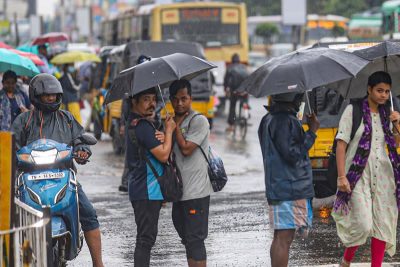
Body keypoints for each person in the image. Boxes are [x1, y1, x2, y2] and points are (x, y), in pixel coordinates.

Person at [11, 73, 104, 267]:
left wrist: (82, 151)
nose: (52, 98)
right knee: (11, 215)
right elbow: (12, 146)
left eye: (54, 95)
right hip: (30, 179)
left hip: (63, 177)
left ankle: (98, 263)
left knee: (89, 213)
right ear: (37, 96)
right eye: (47, 96)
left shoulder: (67, 118)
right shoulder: (23, 120)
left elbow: (80, 140)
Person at [332, 71, 400, 267]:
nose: (384, 95)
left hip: (384, 174)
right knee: (363, 223)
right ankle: (346, 259)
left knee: (382, 223)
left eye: (387, 92)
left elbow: (396, 143)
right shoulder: (353, 111)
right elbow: (341, 145)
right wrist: (341, 177)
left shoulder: (388, 113)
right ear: (369, 89)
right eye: (379, 90)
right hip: (357, 175)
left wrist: (398, 123)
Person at [258, 92, 319, 267]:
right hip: (290, 187)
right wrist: (312, 132)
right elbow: (293, 154)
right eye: (299, 98)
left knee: (280, 236)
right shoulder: (285, 120)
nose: (301, 101)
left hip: (278, 185)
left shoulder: (268, 119)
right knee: (284, 237)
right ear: (292, 99)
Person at [126, 87, 176, 266]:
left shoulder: (133, 123)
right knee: (145, 240)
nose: (152, 103)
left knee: (145, 238)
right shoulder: (143, 126)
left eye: (154, 99)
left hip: (142, 188)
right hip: (147, 190)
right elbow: (163, 155)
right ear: (134, 101)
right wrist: (169, 130)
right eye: (146, 99)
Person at [169, 79, 213, 267]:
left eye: (184, 98)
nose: (180, 103)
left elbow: (187, 148)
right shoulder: (170, 121)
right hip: (179, 193)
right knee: (187, 239)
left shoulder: (199, 121)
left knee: (195, 240)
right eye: (176, 99)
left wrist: (174, 128)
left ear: (191, 99)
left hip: (196, 193)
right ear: (170, 99)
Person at [118, 54, 153, 192]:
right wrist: (123, 123)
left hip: (150, 122)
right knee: (131, 153)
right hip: (132, 123)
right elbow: (125, 105)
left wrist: (154, 113)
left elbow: (161, 102)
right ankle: (126, 182)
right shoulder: (131, 83)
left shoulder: (154, 81)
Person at [223, 53, 249, 132]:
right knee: (244, 102)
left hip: (234, 90)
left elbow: (226, 80)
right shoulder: (244, 67)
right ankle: (245, 113)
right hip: (244, 90)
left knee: (232, 106)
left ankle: (231, 125)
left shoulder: (229, 67)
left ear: (232, 60)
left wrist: (225, 89)